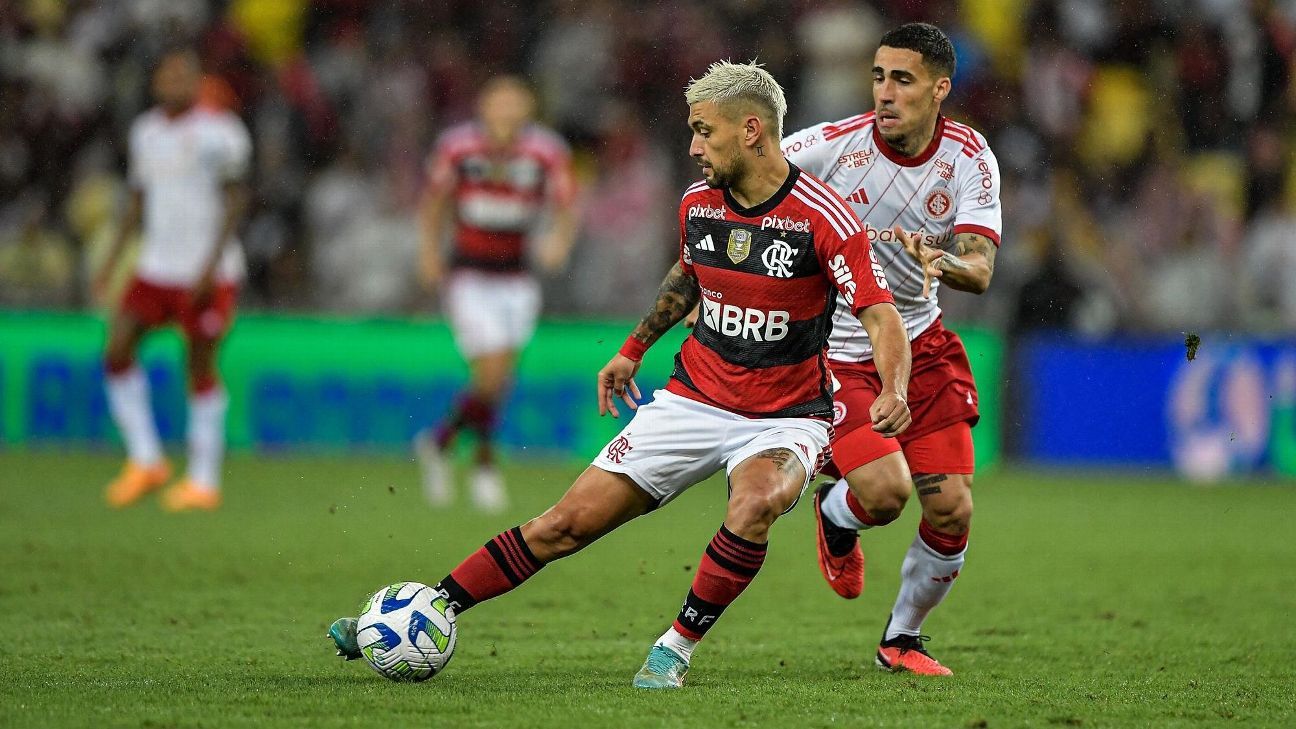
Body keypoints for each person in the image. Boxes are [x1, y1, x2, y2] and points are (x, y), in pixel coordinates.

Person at [331, 61, 912, 689]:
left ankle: (674, 648)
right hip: (694, 399)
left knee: (756, 503)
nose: (692, 147)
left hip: (788, 415)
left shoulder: (823, 218)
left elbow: (880, 316)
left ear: (751, 130)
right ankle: (429, 607)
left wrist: (894, 388)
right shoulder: (698, 204)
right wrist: (633, 349)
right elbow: (687, 276)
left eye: (703, 132)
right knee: (564, 525)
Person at [781, 22, 1002, 676]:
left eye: (901, 80)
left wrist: (942, 260)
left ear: (939, 89)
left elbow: (981, 269)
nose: (884, 92)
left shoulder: (968, 157)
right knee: (883, 493)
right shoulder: (831, 146)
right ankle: (836, 511)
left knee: (953, 506)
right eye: (878, 76)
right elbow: (752, 176)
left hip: (924, 343)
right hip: (841, 351)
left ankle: (901, 639)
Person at [95, 47, 251, 512]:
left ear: (197, 81)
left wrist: (208, 265)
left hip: (208, 271)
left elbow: (236, 202)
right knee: (117, 349)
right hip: (156, 266)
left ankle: (204, 480)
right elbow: (138, 202)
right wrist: (112, 260)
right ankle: (146, 460)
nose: (173, 83)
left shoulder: (220, 132)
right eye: (166, 74)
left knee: (198, 367)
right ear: (156, 81)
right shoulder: (145, 131)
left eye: (184, 75)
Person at [413, 75, 578, 512]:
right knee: (491, 373)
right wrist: (429, 253)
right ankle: (485, 464)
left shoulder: (546, 150)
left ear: (528, 109)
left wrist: (558, 240)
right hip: (469, 275)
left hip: (517, 278)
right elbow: (433, 203)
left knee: (498, 380)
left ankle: (440, 442)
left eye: (514, 104)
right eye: (498, 103)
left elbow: (566, 203)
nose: (506, 112)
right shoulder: (457, 147)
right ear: (483, 108)